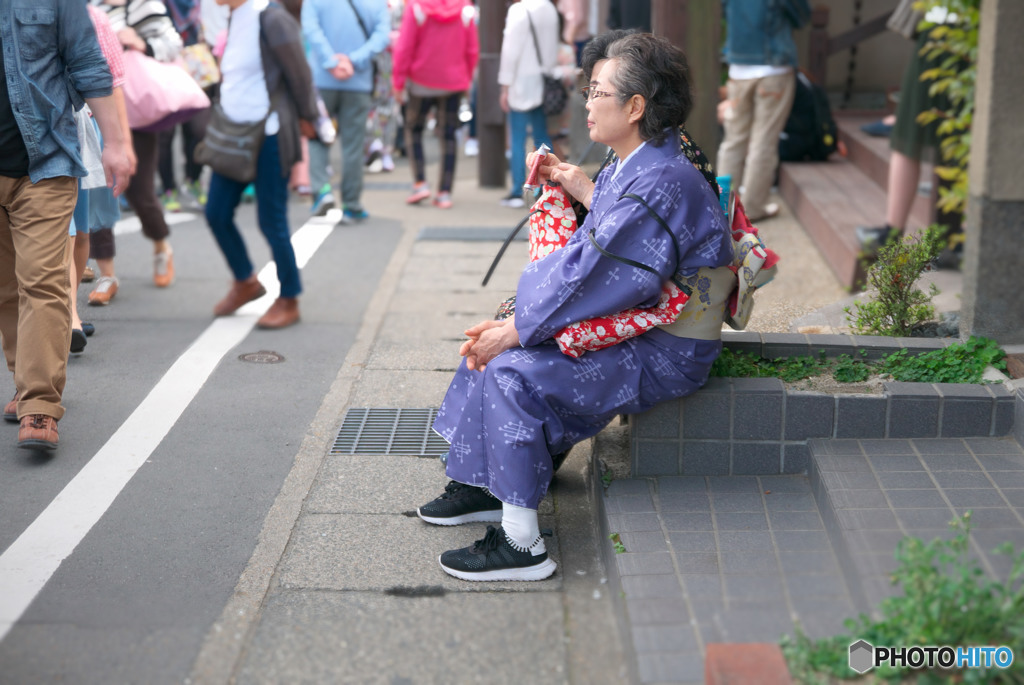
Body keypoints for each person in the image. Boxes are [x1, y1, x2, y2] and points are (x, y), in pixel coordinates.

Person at [418, 34, 733, 581]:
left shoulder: (655, 181)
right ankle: (488, 485)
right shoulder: (654, 156)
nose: (586, 104)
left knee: (513, 368)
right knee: (507, 328)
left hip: (665, 348)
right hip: (648, 324)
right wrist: (579, 183)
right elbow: (617, 245)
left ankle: (521, 547)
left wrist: (517, 331)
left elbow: (593, 276)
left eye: (596, 92)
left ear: (635, 107)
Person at [0, 0, 133, 450]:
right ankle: (25, 380)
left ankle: (39, 404)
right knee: (6, 288)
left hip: (46, 161)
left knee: (42, 281)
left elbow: (88, 62)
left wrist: (115, 142)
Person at [203, 0, 319, 329]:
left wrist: (308, 117)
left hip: (269, 134)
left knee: (272, 221)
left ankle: (290, 297)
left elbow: (299, 73)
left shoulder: (271, 16)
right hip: (233, 135)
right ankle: (245, 281)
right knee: (216, 213)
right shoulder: (234, 15)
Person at [92, 0, 182, 288]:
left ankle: (160, 245)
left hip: (138, 110)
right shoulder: (89, 7)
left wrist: (139, 42)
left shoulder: (145, 5)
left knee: (140, 190)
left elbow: (173, 45)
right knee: (98, 189)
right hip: (97, 111)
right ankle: (107, 273)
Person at [856, 2, 957, 254]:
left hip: (941, 29)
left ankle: (893, 232)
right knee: (953, 139)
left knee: (909, 136)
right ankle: (951, 238)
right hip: (965, 34)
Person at [716, 0, 810, 222]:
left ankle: (722, 207)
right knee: (763, 142)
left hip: (739, 67)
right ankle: (754, 207)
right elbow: (801, 16)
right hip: (774, 65)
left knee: (733, 142)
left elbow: (725, 11)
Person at [302, 0, 390, 220]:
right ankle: (351, 203)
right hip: (358, 80)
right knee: (353, 145)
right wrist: (353, 60)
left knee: (317, 138)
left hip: (322, 79)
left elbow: (311, 30)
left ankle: (322, 191)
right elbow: (381, 36)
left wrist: (331, 61)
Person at [392, 0, 479, 209]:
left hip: (420, 81)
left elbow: (404, 46)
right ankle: (444, 192)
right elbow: (472, 49)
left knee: (413, 129)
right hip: (453, 81)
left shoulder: (416, 6)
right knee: (448, 135)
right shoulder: (464, 8)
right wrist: (466, 78)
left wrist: (398, 81)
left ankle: (420, 183)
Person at [496, 0, 559, 209]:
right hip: (543, 81)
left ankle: (517, 191)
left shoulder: (518, 10)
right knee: (542, 137)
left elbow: (510, 52)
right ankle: (545, 188)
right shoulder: (550, 8)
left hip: (520, 82)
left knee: (518, 138)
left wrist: (504, 85)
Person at [157, 0, 214, 212]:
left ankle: (193, 179)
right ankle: (168, 188)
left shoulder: (195, 4)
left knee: (198, 129)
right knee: (165, 133)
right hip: (162, 67)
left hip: (194, 68)